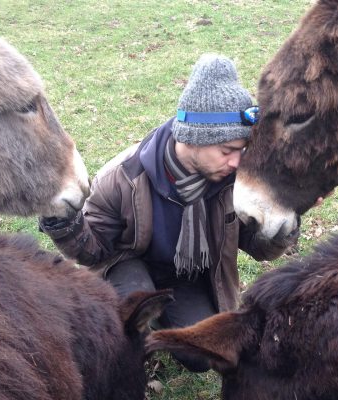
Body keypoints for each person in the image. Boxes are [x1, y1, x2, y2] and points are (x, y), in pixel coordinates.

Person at [39, 54, 298, 370]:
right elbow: (93, 251)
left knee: (201, 357)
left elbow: (257, 247)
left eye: (242, 150)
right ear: (192, 140)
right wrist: (64, 225)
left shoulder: (235, 181)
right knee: (131, 316)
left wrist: (283, 224)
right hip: (128, 266)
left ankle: (165, 314)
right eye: (227, 151)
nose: (236, 162)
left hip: (186, 275)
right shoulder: (123, 177)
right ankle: (126, 342)